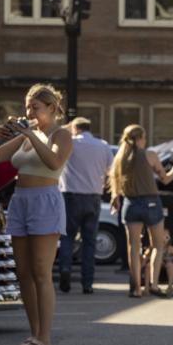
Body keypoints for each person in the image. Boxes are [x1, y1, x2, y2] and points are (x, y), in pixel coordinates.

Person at [0, 84, 74, 345]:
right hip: (21, 200)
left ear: (51, 108)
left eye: (35, 107)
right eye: (27, 106)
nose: (30, 112)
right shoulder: (29, 134)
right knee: (23, 272)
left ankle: (44, 339)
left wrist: (31, 135)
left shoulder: (61, 133)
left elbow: (54, 160)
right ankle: (34, 333)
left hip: (45, 200)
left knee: (40, 270)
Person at [56, 116, 117, 295]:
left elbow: (57, 144)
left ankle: (65, 270)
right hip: (93, 196)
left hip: (71, 195)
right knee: (89, 241)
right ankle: (87, 283)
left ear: (74, 129)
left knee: (67, 237)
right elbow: (110, 171)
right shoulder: (103, 145)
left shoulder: (71, 143)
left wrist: (67, 129)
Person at [110, 124, 170, 298]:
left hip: (130, 203)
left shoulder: (120, 157)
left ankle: (136, 288)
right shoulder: (150, 154)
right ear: (140, 138)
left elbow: (114, 180)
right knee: (157, 245)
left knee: (133, 248)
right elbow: (165, 179)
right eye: (144, 137)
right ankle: (154, 285)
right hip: (151, 202)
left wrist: (115, 196)